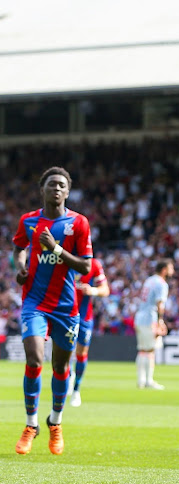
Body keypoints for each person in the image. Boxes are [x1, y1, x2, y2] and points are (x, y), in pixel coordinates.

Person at [12, 167, 93, 455]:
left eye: (61, 185)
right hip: (34, 302)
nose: (56, 188)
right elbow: (19, 248)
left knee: (60, 367)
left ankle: (55, 422)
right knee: (34, 360)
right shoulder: (29, 220)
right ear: (42, 189)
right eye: (51, 184)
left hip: (66, 307)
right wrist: (20, 269)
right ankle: (31, 424)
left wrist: (56, 249)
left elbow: (85, 267)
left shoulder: (79, 223)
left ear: (67, 192)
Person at [67, 257, 110, 407]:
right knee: (64, 351)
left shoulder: (94, 264)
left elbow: (105, 290)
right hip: (64, 314)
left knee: (81, 353)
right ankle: (69, 376)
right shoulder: (64, 259)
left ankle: (76, 390)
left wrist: (93, 290)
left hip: (84, 316)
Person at [134, 259, 174, 390]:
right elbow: (160, 304)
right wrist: (160, 321)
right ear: (164, 270)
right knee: (150, 350)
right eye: (170, 268)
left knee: (142, 350)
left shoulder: (149, 280)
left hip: (140, 317)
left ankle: (141, 380)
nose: (172, 271)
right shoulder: (161, 284)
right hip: (149, 319)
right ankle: (148, 381)